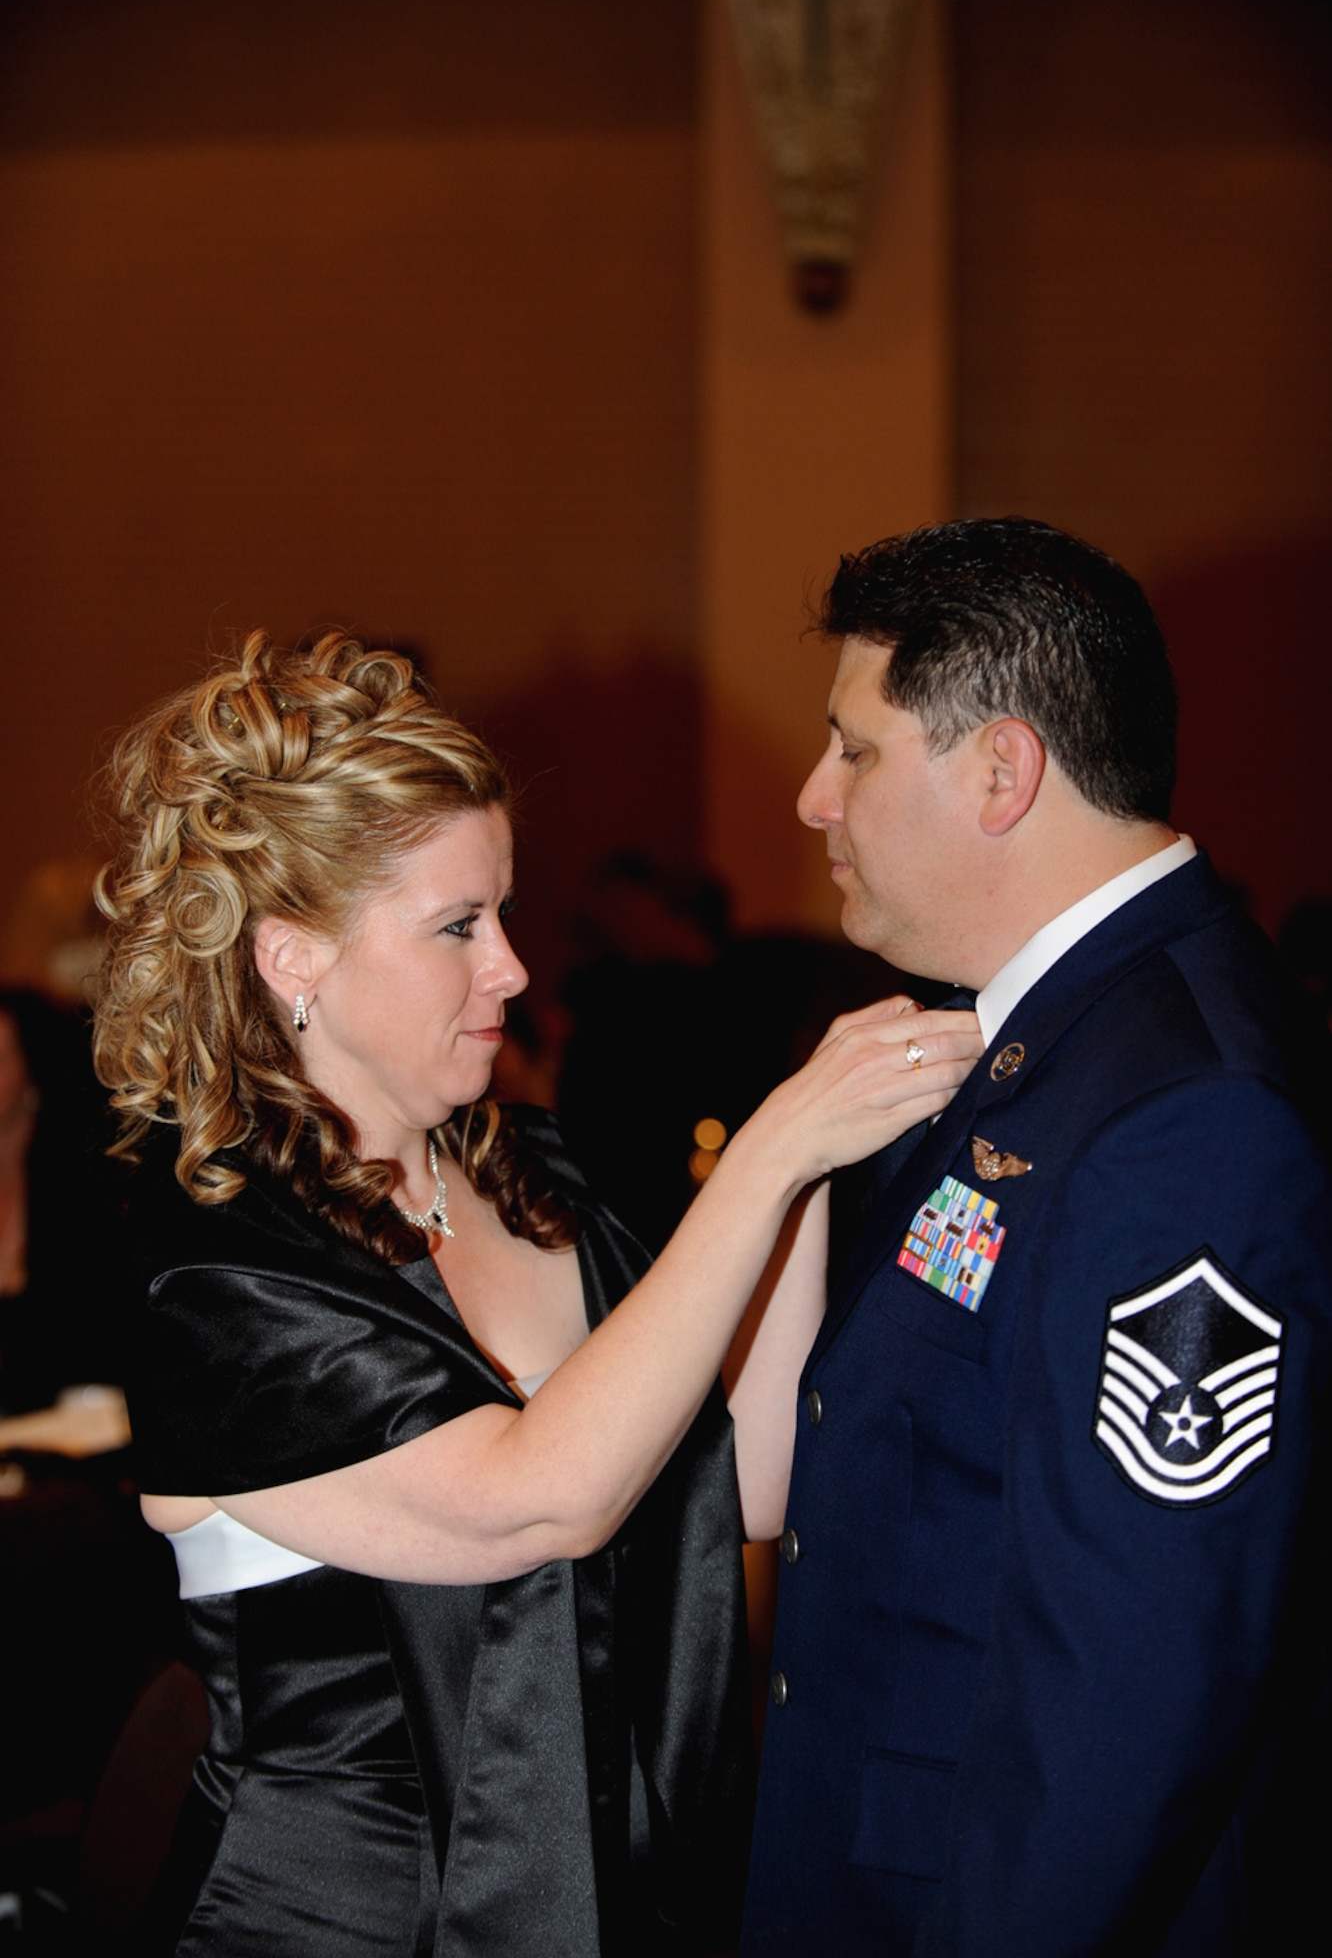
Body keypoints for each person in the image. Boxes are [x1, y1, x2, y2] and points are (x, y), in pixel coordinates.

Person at [91, 631, 980, 1958]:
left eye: (502, 911)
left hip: (599, 1909)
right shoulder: (220, 1272)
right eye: (458, 926)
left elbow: (746, 1476)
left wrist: (804, 1180)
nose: (509, 965)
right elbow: (544, 1498)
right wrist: (773, 1152)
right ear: (293, 958)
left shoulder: (530, 1173)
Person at [739, 517, 1332, 1956]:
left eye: (856, 750)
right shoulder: (1050, 1042)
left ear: (1001, 770)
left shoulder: (1186, 1113)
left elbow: (1129, 1690)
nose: (815, 799)